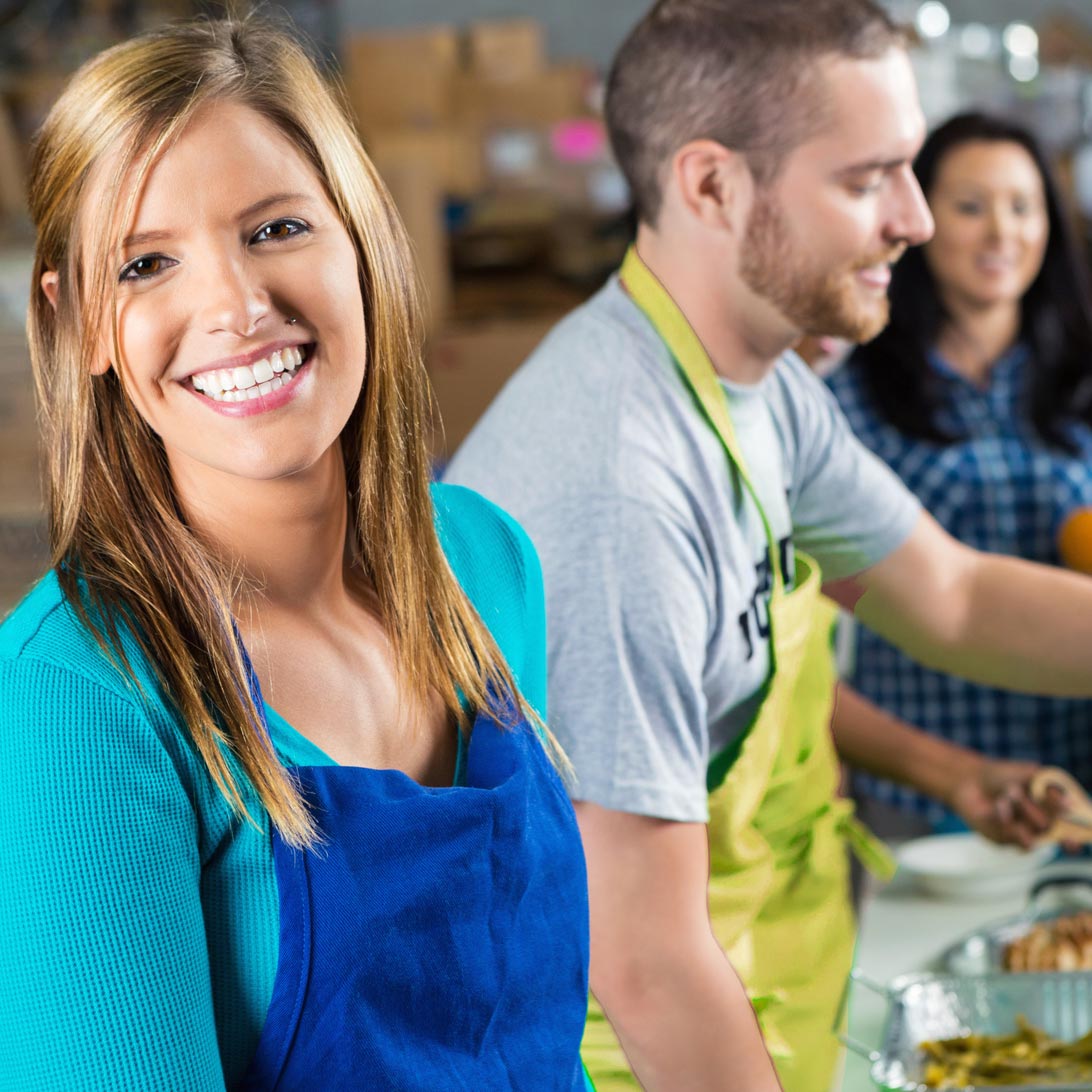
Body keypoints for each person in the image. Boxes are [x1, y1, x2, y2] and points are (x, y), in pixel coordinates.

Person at [445, 2, 1092, 1089]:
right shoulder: (617, 484)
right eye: (867, 178)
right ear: (710, 186)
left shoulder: (756, 386)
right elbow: (643, 966)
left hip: (763, 1000)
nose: (919, 221)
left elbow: (956, 596)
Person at [0, 17, 592, 1091]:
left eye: (275, 229)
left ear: (361, 233)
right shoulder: (72, 698)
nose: (234, 307)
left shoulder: (490, 563)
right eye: (146, 263)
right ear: (79, 320)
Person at [827, 111, 1092, 836]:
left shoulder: (1079, 378)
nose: (1002, 233)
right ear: (917, 219)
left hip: (1073, 791)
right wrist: (944, 773)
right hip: (924, 798)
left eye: (1022, 206)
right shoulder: (849, 393)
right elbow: (809, 633)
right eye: (971, 208)